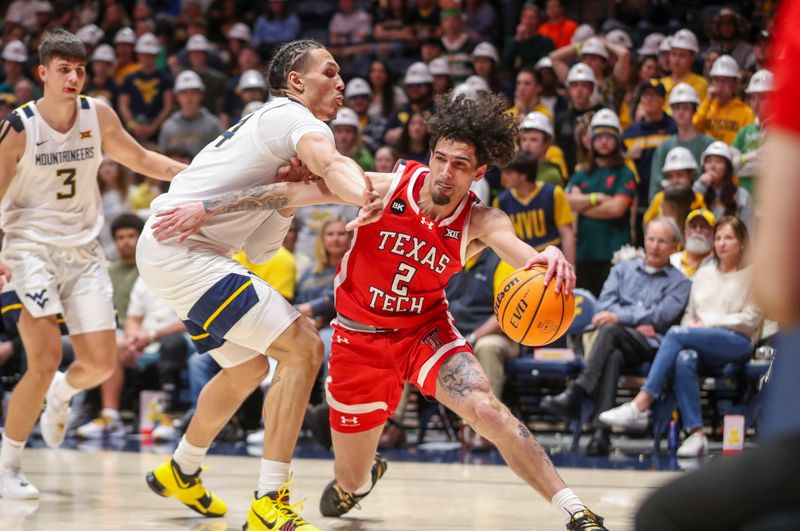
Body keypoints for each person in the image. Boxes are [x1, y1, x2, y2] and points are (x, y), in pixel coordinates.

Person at [294, 93, 607, 530]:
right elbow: (301, 191)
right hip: (357, 337)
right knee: (350, 476)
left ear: (479, 172)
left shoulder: (482, 220)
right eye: (440, 158)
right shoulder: (386, 187)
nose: (446, 171)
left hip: (424, 331)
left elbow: (522, 254)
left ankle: (576, 511)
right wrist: (208, 204)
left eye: (460, 164)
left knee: (487, 411)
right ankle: (359, 486)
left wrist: (549, 252)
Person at [135, 39, 381, 530]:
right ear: (296, 81)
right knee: (304, 347)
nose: (341, 83)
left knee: (247, 369)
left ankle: (182, 467)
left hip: (179, 251)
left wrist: (290, 194)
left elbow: (264, 251)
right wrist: (366, 197)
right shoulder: (293, 118)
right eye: (329, 73)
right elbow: (335, 165)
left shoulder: (273, 133)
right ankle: (271, 500)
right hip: (183, 250)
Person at [0, 30, 187, 499]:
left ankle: (64, 393)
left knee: (102, 366)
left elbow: (140, 157)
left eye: (79, 69)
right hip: (28, 251)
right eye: (63, 69)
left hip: (83, 254)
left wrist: (193, 176)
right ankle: (8, 465)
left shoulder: (97, 113)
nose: (73, 77)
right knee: (40, 360)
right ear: (42, 73)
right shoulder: (19, 127)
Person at [600, 217, 761, 456]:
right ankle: (696, 434)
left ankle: (641, 402)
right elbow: (688, 316)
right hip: (699, 339)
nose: (722, 243)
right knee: (684, 357)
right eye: (717, 238)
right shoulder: (704, 275)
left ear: (742, 243)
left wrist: (706, 325)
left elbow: (751, 319)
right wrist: (694, 329)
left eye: (728, 238)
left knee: (676, 334)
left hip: (737, 341)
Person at [542, 218, 691, 455]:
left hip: (653, 347)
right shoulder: (622, 270)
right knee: (613, 354)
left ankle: (579, 390)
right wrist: (635, 319)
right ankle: (601, 435)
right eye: (651, 239)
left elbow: (661, 316)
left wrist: (620, 317)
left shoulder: (680, 282)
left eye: (662, 241)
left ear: (674, 246)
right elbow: (604, 306)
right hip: (619, 342)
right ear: (644, 240)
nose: (655, 246)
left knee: (611, 330)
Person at [565, 109, 637, 296]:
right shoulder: (581, 174)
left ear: (617, 140)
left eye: (609, 136)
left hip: (615, 255)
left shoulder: (625, 173)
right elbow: (566, 203)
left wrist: (582, 205)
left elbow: (616, 209)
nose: (604, 141)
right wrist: (597, 198)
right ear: (591, 139)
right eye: (599, 136)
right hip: (584, 254)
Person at [494, 151, 575, 263]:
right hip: (520, 263)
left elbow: (567, 235)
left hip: (552, 259)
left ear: (523, 176)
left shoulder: (554, 193)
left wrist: (570, 267)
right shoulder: (501, 201)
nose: (503, 176)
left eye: (508, 172)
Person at [648, 83, 715, 201]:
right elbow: (655, 189)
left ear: (694, 110)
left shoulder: (708, 144)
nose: (680, 112)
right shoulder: (664, 147)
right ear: (672, 112)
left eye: (685, 108)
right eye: (676, 108)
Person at [158, 70, 223, 159]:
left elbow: (221, 154)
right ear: (177, 97)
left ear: (201, 95)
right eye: (184, 93)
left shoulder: (213, 124)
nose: (189, 97)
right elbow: (163, 156)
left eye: (193, 92)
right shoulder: (168, 125)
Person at [692, 141, 754, 232]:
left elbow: (748, 232)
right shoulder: (699, 189)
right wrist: (701, 185)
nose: (712, 166)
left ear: (727, 168)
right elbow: (687, 207)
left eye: (718, 161)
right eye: (708, 161)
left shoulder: (741, 196)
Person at [693, 55, 754, 145]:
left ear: (735, 84)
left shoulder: (746, 112)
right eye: (717, 80)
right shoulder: (706, 107)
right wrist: (707, 101)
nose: (720, 85)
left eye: (725, 81)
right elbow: (693, 128)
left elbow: (748, 143)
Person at [732, 69, 773, 193]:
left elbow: (769, 167)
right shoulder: (744, 131)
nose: (756, 104)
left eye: (762, 98)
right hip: (745, 197)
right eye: (753, 98)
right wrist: (750, 156)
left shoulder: (780, 132)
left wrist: (741, 163)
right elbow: (729, 167)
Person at [644, 146, 706, 226]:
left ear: (691, 175)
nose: (675, 180)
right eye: (670, 176)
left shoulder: (698, 199)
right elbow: (646, 222)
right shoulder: (660, 198)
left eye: (680, 175)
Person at [502, 3, 555, 72]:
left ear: (538, 20)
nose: (528, 21)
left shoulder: (546, 42)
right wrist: (517, 39)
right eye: (525, 17)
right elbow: (505, 64)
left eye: (532, 17)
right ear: (521, 19)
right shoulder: (513, 42)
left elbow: (544, 64)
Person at [519, 111, 567, 185]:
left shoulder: (551, 175)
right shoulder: (515, 170)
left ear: (546, 143)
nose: (527, 145)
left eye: (533, 140)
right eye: (524, 139)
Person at [660, 29, 708, 105]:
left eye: (682, 55)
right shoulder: (661, 84)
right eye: (674, 54)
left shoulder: (701, 84)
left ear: (692, 58)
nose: (676, 60)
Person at [670, 208, 715, 277]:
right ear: (685, 232)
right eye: (693, 226)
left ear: (713, 233)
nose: (698, 230)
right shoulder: (672, 261)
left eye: (703, 226)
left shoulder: (719, 265)